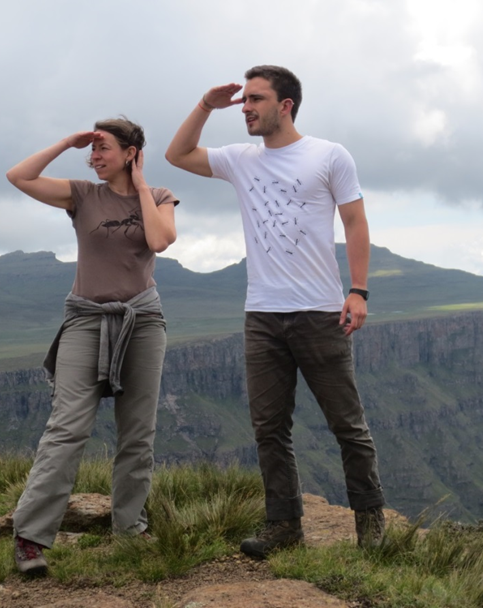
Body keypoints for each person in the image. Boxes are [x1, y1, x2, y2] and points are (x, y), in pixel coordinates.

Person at [165, 66, 385, 558]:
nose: (245, 107)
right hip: (262, 314)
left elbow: (355, 222)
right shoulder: (241, 160)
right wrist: (206, 104)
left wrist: (359, 291)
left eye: (256, 99)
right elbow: (176, 154)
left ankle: (370, 527)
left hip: (320, 312)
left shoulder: (329, 155)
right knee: (269, 428)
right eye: (243, 99)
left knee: (347, 425)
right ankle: (284, 526)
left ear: (285, 105)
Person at [6, 118, 178, 573]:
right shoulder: (81, 194)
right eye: (92, 151)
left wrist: (141, 184)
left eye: (103, 149)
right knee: (67, 428)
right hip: (86, 319)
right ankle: (30, 538)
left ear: (132, 152)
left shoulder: (160, 197)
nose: (95, 157)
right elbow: (18, 177)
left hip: (142, 320)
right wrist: (66, 142)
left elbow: (160, 239)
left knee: (138, 432)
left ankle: (130, 526)